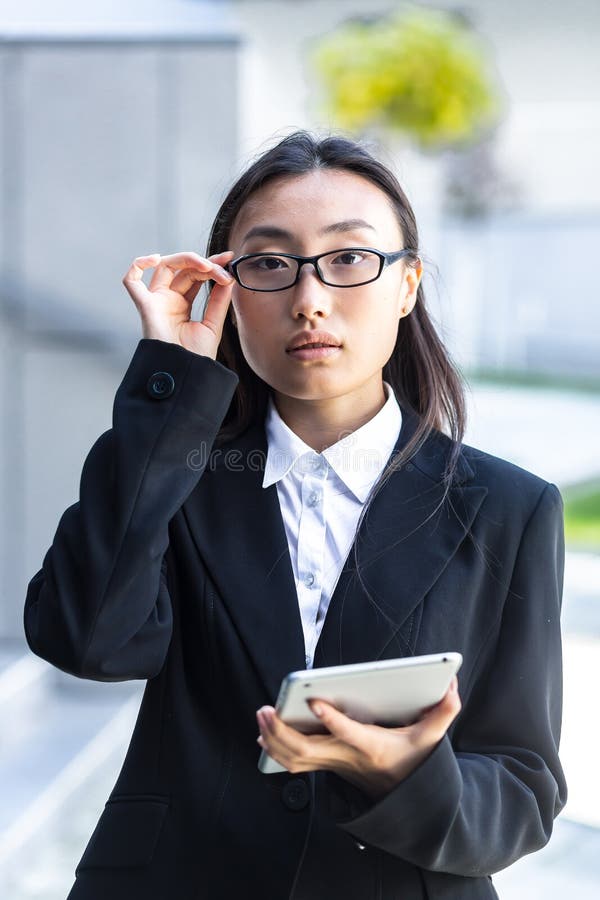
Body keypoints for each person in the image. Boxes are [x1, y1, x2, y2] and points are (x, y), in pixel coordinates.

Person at [24, 131, 567, 900]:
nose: (309, 299)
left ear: (407, 284)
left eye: (349, 259)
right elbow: (87, 642)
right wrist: (170, 383)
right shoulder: (172, 471)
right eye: (270, 264)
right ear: (228, 290)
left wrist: (410, 776)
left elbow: (524, 787)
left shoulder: (511, 508)